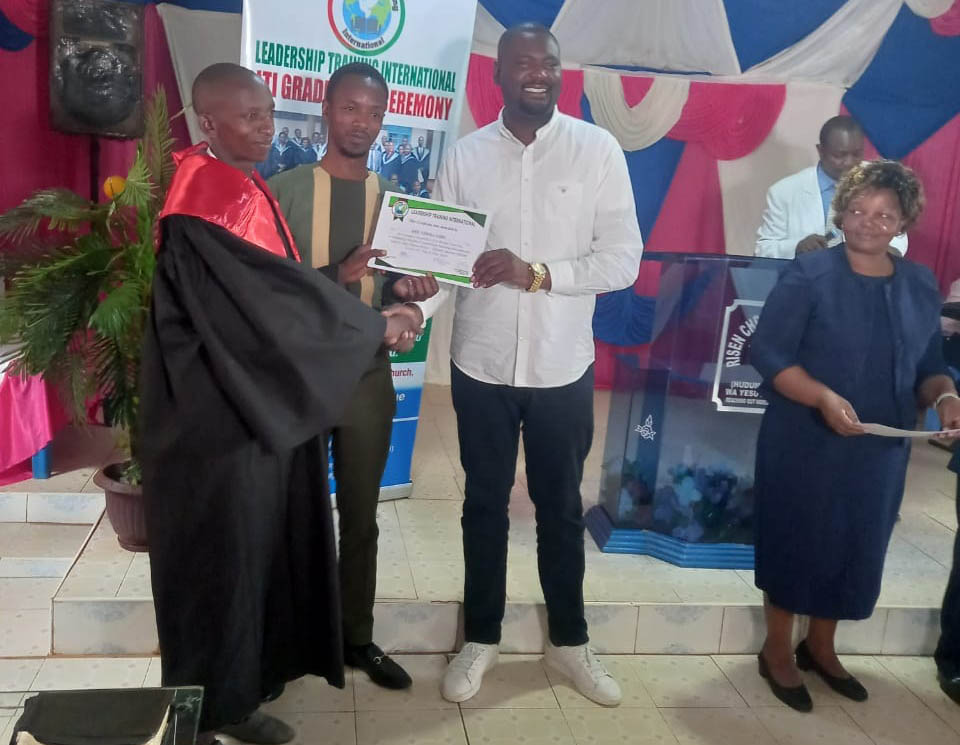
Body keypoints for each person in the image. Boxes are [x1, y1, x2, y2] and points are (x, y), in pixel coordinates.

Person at [139, 63, 418, 745]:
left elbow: (276, 297)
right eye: (249, 116)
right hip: (215, 424)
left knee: (255, 555)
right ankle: (201, 715)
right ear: (208, 122)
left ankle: (240, 694)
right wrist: (372, 326)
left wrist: (364, 301)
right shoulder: (204, 200)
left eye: (267, 113)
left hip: (250, 406)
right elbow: (263, 309)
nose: (265, 126)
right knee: (219, 566)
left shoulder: (241, 186)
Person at [411, 23, 643, 707]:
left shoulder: (597, 150)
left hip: (561, 367)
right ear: (499, 75)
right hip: (480, 363)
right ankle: (480, 638)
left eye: (549, 62)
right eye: (523, 62)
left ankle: (569, 641)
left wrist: (537, 273)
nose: (539, 72)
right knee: (483, 505)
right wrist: (412, 312)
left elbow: (623, 260)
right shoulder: (467, 156)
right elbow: (445, 263)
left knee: (560, 508)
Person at [750, 159, 960, 712]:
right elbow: (767, 353)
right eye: (859, 209)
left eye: (885, 214)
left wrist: (946, 397)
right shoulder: (809, 274)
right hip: (804, 437)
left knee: (855, 545)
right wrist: (821, 396)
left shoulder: (918, 284)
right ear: (841, 212)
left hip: (878, 450)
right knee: (796, 539)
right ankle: (777, 650)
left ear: (903, 222)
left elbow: (929, 366)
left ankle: (821, 647)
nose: (869, 221)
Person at [269, 62, 438, 693]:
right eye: (350, 108)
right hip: (298, 378)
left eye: (373, 112)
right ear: (325, 109)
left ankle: (355, 636)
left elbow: (391, 289)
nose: (361, 122)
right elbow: (266, 292)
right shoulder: (282, 191)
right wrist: (336, 274)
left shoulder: (396, 203)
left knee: (362, 517)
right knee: (293, 515)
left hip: (367, 375)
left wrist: (407, 293)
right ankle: (287, 640)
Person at [755, 116, 908, 259]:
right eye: (840, 155)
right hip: (807, 275)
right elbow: (763, 249)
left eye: (856, 154)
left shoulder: (882, 183)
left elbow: (898, 235)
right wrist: (796, 247)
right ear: (821, 151)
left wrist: (883, 248)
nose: (849, 162)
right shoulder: (784, 192)